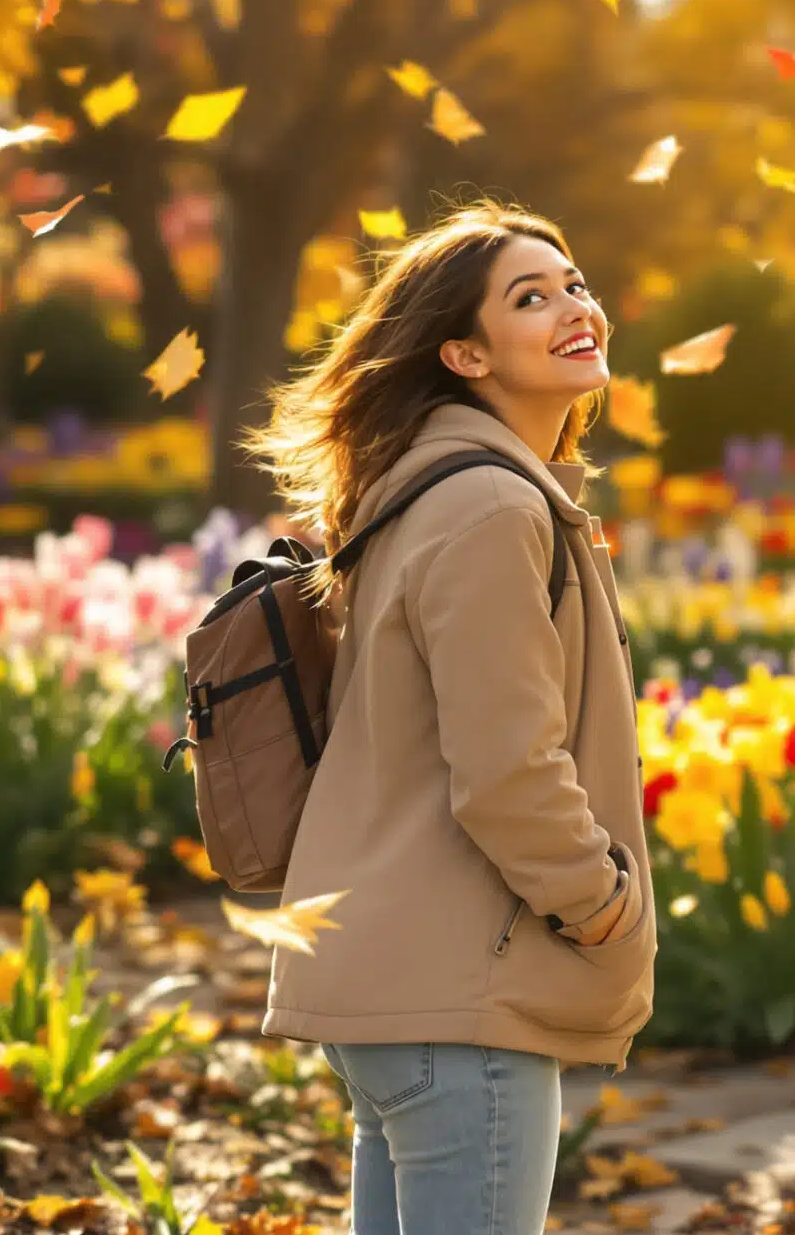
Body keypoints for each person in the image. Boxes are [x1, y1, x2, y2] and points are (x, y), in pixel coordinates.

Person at [246, 204, 653, 1235]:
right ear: (464, 352)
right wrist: (602, 904)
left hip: (402, 985)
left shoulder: (425, 492)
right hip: (461, 991)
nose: (574, 308)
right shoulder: (490, 509)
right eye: (531, 297)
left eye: (574, 283)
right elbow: (508, 768)